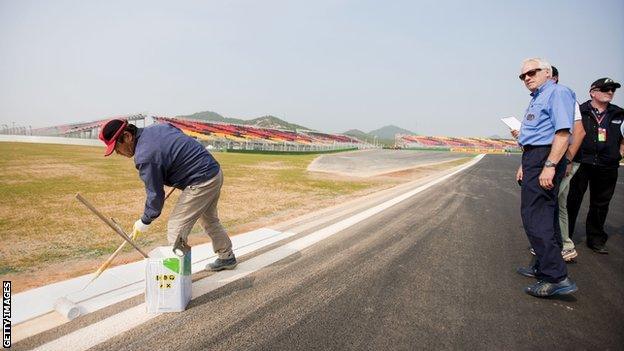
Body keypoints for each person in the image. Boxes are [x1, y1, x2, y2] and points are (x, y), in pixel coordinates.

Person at [98, 119, 238, 271]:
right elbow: (178, 142)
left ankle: (180, 278)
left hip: (201, 181)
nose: (118, 153)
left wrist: (145, 220)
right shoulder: (158, 127)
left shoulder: (145, 156)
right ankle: (227, 257)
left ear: (127, 136)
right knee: (210, 220)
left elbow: (155, 195)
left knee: (176, 228)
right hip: (214, 172)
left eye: (117, 147)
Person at [514, 58, 577, 297]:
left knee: (534, 216)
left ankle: (556, 277)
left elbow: (562, 132)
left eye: (532, 72)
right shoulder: (538, 97)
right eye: (523, 76)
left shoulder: (557, 92)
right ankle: (544, 265)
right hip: (534, 156)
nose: (527, 77)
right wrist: (525, 163)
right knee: (544, 214)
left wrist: (550, 165)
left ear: (547, 72)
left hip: (545, 157)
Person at [566, 78, 624, 254]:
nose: (610, 92)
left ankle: (595, 239)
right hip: (581, 162)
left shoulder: (619, 114)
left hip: (607, 165)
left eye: (613, 89)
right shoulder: (579, 111)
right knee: (572, 200)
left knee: (601, 204)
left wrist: (619, 152)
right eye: (606, 89)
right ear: (592, 92)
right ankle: (564, 236)